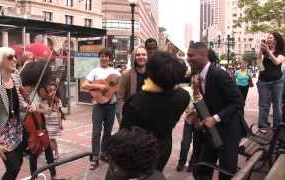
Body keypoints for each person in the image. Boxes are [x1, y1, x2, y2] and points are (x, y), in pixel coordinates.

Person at [120, 51, 190, 171]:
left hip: (139, 152)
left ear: (150, 73)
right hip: (164, 148)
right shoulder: (183, 96)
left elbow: (124, 135)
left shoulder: (136, 102)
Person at [186, 42, 244, 180]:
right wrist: (197, 114)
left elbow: (238, 101)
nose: (187, 59)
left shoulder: (219, 74)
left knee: (226, 173)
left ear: (203, 55)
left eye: (190, 55)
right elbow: (213, 101)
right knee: (201, 170)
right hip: (213, 133)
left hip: (229, 131)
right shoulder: (201, 75)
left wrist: (215, 118)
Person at [0, 47, 31, 180]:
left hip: (17, 129)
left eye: (15, 56)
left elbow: (20, 104)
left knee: (19, 163)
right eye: (10, 57)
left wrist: (30, 107)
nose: (15, 59)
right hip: (1, 132)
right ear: (0, 61)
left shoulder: (16, 78)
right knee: (13, 166)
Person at [81, 48, 121, 170]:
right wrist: (99, 85)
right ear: (99, 58)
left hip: (111, 105)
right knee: (96, 132)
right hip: (98, 105)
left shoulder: (115, 73)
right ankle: (94, 157)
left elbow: (120, 86)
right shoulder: (94, 71)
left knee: (108, 132)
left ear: (110, 58)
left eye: (106, 56)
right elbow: (84, 85)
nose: (104, 58)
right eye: (102, 56)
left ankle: (104, 153)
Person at [257, 32, 285, 130]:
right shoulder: (264, 51)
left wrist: (268, 52)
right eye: (268, 37)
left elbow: (277, 62)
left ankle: (277, 126)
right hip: (263, 81)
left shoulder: (281, 53)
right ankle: (263, 125)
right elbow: (259, 64)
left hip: (277, 81)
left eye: (271, 38)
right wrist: (260, 53)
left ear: (276, 40)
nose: (269, 39)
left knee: (277, 104)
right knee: (263, 104)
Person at [117, 46, 148, 124]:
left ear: (147, 57)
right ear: (133, 57)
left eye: (144, 54)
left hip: (148, 116)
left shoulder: (153, 74)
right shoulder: (126, 75)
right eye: (138, 55)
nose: (141, 57)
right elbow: (120, 98)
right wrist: (123, 117)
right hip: (132, 116)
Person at [41, 82, 63, 160]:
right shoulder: (43, 100)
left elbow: (59, 112)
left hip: (54, 123)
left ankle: (55, 152)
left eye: (54, 90)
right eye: (50, 90)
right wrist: (45, 110)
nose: (52, 92)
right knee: (48, 139)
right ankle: (51, 152)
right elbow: (40, 110)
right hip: (46, 122)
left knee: (52, 139)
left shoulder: (57, 100)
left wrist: (60, 123)